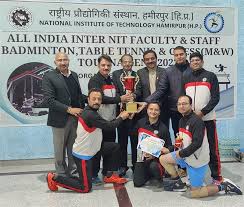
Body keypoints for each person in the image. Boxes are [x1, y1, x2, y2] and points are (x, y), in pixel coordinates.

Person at [46, 88, 130, 193]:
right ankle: (54, 178)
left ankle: (109, 176)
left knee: (114, 147)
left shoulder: (92, 111)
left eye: (99, 99)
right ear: (88, 100)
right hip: (83, 156)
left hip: (94, 149)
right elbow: (109, 126)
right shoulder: (90, 114)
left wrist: (118, 117)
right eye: (93, 99)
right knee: (85, 187)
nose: (96, 101)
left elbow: (105, 123)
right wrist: (121, 117)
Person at [159, 95, 242, 198]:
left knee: (194, 193)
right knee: (163, 159)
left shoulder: (197, 121)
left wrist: (180, 153)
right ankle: (178, 183)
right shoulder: (181, 121)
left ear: (191, 105)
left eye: (184, 104)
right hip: (185, 156)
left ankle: (223, 186)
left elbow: (197, 144)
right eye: (179, 104)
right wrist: (172, 148)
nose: (181, 106)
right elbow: (181, 140)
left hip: (197, 161)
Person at [88, 54, 133, 182]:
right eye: (103, 65)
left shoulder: (111, 80)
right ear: (98, 65)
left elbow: (117, 96)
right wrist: (120, 98)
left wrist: (127, 103)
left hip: (112, 121)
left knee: (110, 148)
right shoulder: (94, 80)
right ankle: (93, 174)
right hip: (99, 121)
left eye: (108, 65)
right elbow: (100, 99)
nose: (106, 67)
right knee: (97, 148)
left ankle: (107, 172)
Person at [42, 52, 86, 177]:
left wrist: (93, 98)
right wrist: (69, 109)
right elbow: (49, 100)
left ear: (69, 61)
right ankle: (61, 174)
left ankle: (73, 172)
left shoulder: (74, 75)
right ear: (55, 62)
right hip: (59, 119)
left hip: (76, 119)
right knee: (59, 150)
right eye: (59, 60)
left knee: (74, 148)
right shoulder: (49, 76)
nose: (62, 62)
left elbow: (77, 95)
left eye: (65, 60)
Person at [183, 52, 222, 184]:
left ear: (202, 62)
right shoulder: (186, 77)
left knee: (212, 148)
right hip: (192, 121)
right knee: (192, 147)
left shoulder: (210, 76)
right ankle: (192, 175)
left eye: (198, 60)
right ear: (190, 63)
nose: (195, 62)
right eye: (193, 60)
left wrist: (202, 112)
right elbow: (184, 98)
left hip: (208, 119)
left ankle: (216, 177)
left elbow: (215, 98)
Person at [138, 46, 191, 137]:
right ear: (174, 56)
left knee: (193, 136)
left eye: (181, 54)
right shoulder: (169, 71)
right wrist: (147, 101)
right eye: (176, 55)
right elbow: (161, 90)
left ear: (186, 55)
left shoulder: (193, 69)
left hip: (192, 110)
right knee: (177, 135)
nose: (179, 57)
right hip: (175, 110)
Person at [133, 102, 172, 187]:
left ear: (159, 112)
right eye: (151, 109)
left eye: (156, 110)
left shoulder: (163, 128)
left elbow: (169, 147)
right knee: (137, 183)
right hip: (141, 158)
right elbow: (134, 137)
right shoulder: (140, 123)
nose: (153, 112)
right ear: (147, 110)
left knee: (154, 166)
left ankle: (158, 177)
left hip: (155, 160)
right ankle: (148, 175)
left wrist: (155, 155)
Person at [112, 54, 138, 175]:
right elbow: (115, 90)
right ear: (121, 63)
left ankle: (135, 165)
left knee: (134, 141)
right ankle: (122, 165)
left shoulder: (136, 75)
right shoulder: (116, 74)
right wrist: (122, 97)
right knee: (122, 141)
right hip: (121, 112)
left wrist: (134, 96)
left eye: (130, 62)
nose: (127, 64)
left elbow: (140, 89)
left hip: (134, 113)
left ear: (133, 63)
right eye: (125, 62)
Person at [135, 49, 169, 127]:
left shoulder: (164, 72)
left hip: (162, 109)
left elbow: (162, 90)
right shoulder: (140, 72)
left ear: (156, 59)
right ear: (144, 61)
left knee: (162, 135)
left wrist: (147, 101)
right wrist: (133, 95)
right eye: (147, 59)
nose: (150, 61)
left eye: (152, 58)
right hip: (145, 110)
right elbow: (139, 90)